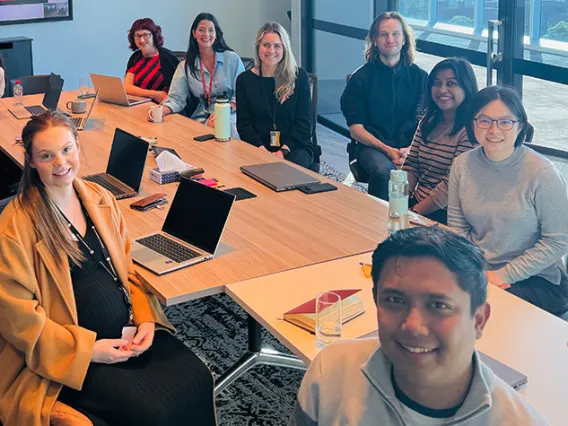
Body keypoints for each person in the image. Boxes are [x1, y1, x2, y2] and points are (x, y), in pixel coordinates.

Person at [0, 112, 217, 426]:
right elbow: (20, 321)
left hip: (125, 334)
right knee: (153, 412)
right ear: (32, 161)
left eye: (67, 150)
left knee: (198, 377)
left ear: (78, 146)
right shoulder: (14, 228)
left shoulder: (100, 198)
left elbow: (128, 272)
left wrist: (146, 321)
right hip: (66, 357)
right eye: (47, 156)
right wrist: (88, 351)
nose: (60, 163)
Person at [289, 227, 546, 425]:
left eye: (438, 305)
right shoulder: (330, 371)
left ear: (479, 320)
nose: (413, 325)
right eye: (395, 300)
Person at [448, 86, 568, 317]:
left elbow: (557, 242)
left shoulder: (542, 172)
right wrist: (474, 270)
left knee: (478, 315)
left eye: (505, 122)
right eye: (484, 121)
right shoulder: (462, 165)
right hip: (479, 270)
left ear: (520, 125)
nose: (494, 130)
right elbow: (457, 229)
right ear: (473, 124)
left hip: (537, 279)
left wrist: (500, 276)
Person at [340, 11, 427, 200]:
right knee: (384, 171)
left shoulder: (420, 78)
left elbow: (425, 121)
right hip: (371, 147)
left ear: (404, 39)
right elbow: (356, 130)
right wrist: (389, 151)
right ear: (375, 40)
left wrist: (408, 151)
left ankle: (416, 222)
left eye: (396, 34)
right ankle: (377, 225)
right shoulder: (360, 79)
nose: (390, 39)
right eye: (383, 34)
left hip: (410, 148)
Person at [402, 58, 478, 225]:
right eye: (436, 83)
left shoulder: (472, 130)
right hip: (418, 207)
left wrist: (414, 212)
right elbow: (411, 164)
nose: (442, 90)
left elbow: (452, 184)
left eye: (451, 83)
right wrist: (401, 202)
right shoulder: (429, 121)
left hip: (449, 215)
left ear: (466, 87)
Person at [236, 22, 313, 168]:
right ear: (258, 47)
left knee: (287, 172)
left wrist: (283, 151)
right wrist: (261, 150)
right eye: (266, 45)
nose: (271, 50)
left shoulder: (298, 77)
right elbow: (244, 125)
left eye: (277, 46)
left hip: (294, 147)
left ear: (285, 49)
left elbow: (304, 123)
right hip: (257, 147)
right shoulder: (244, 80)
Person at [151, 13, 245, 128]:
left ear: (216, 34)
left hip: (231, 113)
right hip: (202, 116)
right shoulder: (186, 66)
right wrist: (161, 111)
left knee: (221, 125)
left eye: (211, 30)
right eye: (201, 30)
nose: (206, 34)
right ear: (194, 33)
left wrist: (224, 111)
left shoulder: (232, 59)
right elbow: (176, 98)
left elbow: (242, 94)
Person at [125, 18, 180, 104]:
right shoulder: (135, 57)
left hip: (162, 106)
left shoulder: (167, 58)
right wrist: (154, 94)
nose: (141, 40)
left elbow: (177, 91)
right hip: (139, 103)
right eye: (138, 36)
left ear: (154, 35)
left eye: (146, 35)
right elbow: (127, 87)